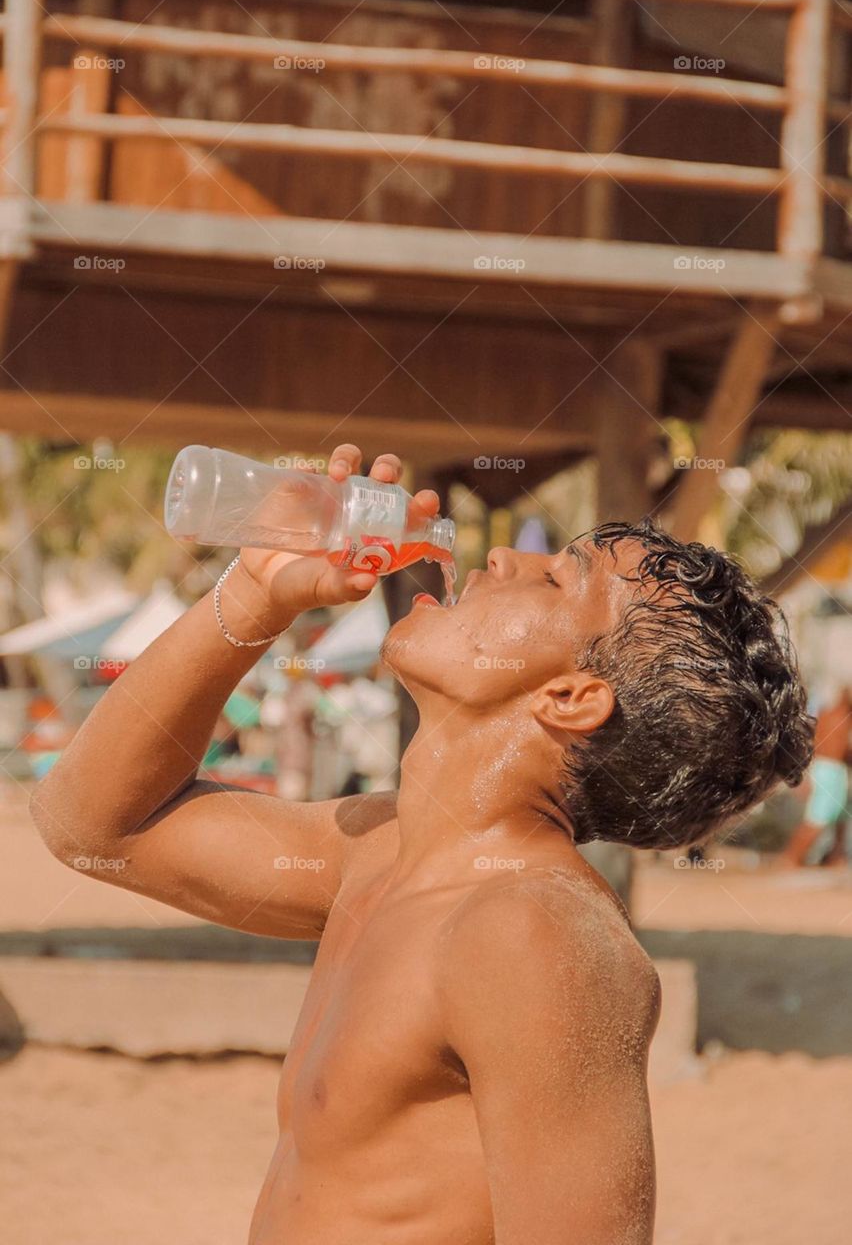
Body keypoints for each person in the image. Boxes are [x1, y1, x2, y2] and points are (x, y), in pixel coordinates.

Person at [30, 444, 814, 1245]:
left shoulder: (535, 934)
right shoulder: (378, 851)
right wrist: (256, 594)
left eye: (555, 580)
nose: (504, 557)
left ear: (571, 697)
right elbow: (94, 824)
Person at [784, 684, 850, 867]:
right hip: (828, 770)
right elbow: (819, 746)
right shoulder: (833, 716)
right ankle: (791, 857)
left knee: (841, 816)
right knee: (818, 816)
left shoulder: (833, 716)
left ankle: (835, 856)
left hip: (833, 770)